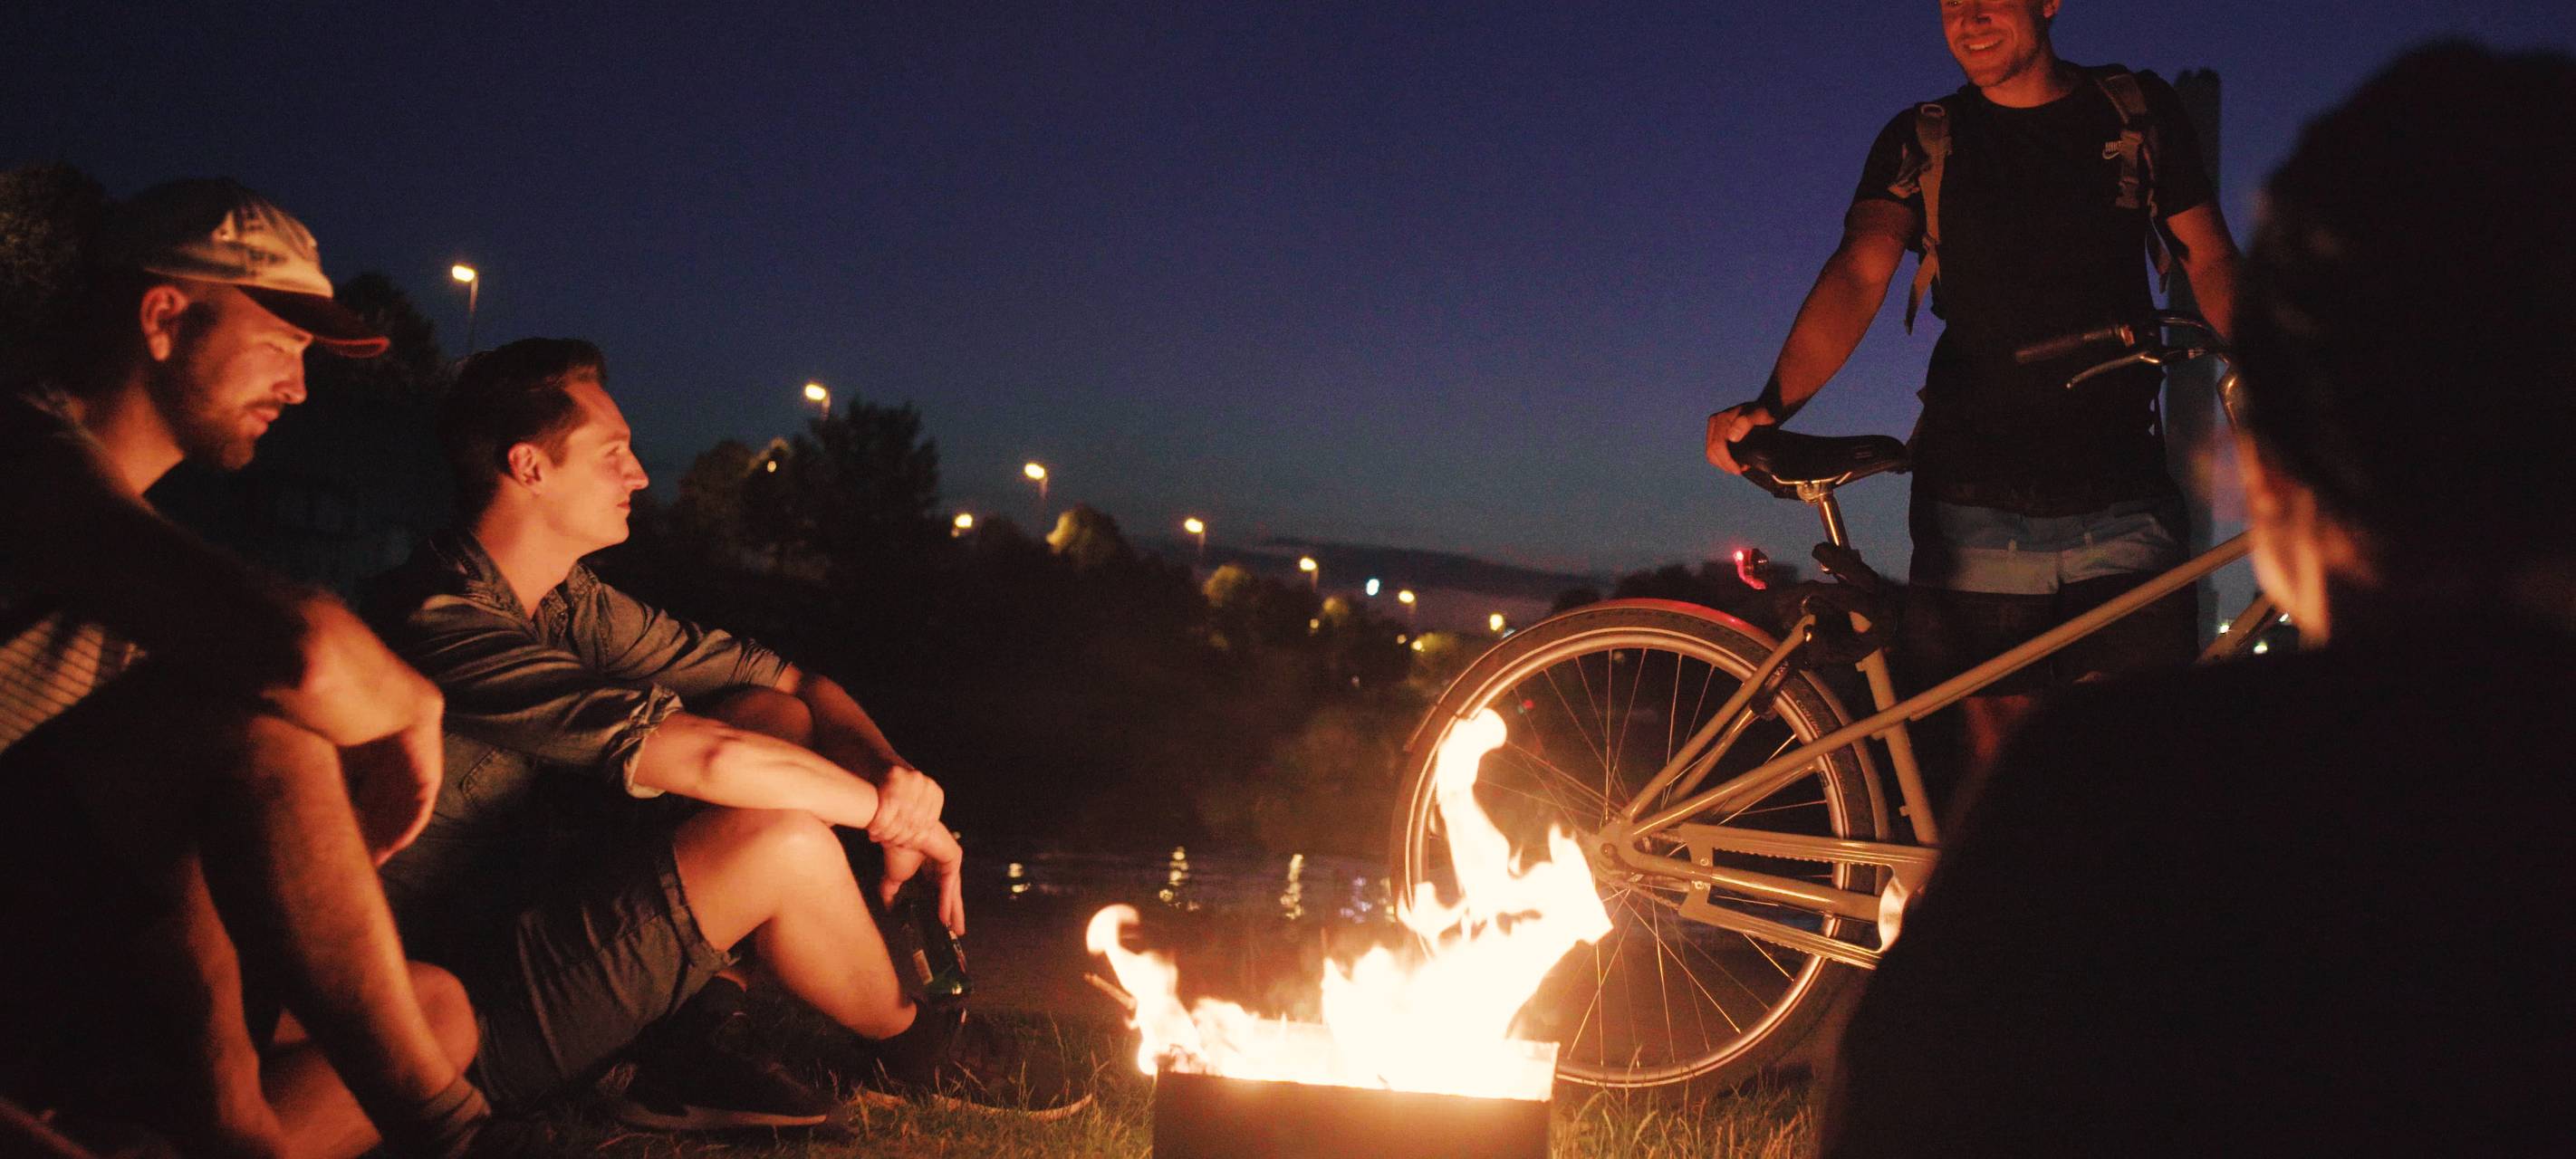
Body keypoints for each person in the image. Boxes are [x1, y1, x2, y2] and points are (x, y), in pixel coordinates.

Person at [1818, 42, 2576, 1154]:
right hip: (1983, 487)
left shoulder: (2096, 791)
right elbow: (1862, 265)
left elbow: (1887, 1116)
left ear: (2270, 467)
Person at [364, 338, 1082, 1131]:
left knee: (776, 717)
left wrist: (893, 773)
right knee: (781, 840)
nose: (639, 474)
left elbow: (794, 687)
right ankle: (916, 1045)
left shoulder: (573, 605)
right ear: (531, 467)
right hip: (445, 1012)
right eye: (615, 454)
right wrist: (905, 823)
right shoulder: (442, 619)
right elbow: (707, 757)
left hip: (531, 928)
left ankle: (690, 1031)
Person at [0, 179, 491, 1157]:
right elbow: (300, 650)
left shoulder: (128, 539)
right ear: (163, 317)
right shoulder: (24, 454)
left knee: (436, 1005)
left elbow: (177, 819)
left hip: (57, 962)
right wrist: (415, 702)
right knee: (258, 720)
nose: (301, 387)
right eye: (283, 343)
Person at [1707, 0, 2243, 801]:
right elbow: (1861, 271)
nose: (1970, 16)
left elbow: (2210, 258)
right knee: (2009, 789)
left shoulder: (2135, 111)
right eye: (1951, 2)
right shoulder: (1923, 138)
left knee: (2140, 777)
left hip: (2126, 490)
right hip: (1977, 503)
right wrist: (1771, 404)